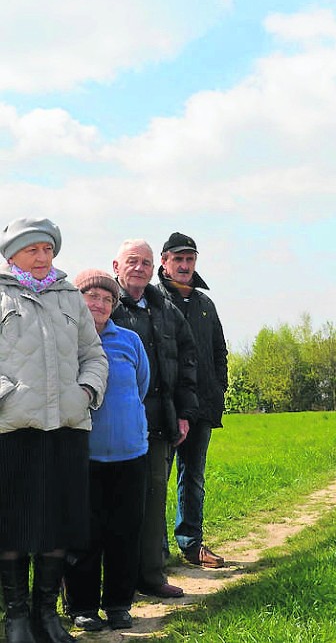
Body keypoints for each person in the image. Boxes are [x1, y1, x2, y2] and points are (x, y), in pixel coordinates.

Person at [0, 218, 108, 643]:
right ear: (12, 256)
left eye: (48, 249)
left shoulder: (69, 297)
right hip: (12, 429)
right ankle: (16, 620)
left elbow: (93, 354)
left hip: (65, 428)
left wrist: (84, 391)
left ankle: (47, 617)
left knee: (58, 524)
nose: (43, 257)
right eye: (33, 250)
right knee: (12, 525)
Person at [111, 239, 198, 599]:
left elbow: (187, 360)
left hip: (159, 423)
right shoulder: (105, 304)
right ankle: (115, 585)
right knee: (113, 504)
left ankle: (150, 575)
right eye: (132, 261)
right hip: (112, 425)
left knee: (151, 501)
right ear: (116, 266)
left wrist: (185, 413)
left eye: (146, 263)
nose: (140, 268)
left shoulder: (164, 308)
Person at [64, 270, 150, 632]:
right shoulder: (66, 341)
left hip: (130, 455)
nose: (99, 304)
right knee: (84, 534)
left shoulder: (129, 340)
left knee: (125, 534)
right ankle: (82, 607)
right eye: (91, 297)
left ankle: (119, 604)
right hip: (83, 456)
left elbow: (142, 385)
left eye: (107, 299)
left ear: (114, 306)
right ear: (77, 300)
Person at [158, 233, 228, 568]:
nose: (185, 265)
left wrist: (219, 390)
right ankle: (155, 553)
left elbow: (219, 352)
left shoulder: (205, 304)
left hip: (201, 405)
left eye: (190, 259)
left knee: (193, 478)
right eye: (178, 259)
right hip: (164, 408)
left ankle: (191, 544)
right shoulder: (153, 300)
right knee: (157, 479)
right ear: (164, 261)